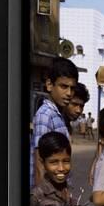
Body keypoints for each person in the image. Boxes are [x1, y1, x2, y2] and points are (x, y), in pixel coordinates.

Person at [30, 57, 78, 188]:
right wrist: (43, 201)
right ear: (50, 85)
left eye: (72, 88)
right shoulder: (45, 115)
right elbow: (39, 162)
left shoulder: (58, 114)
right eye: (64, 86)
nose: (69, 93)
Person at [29, 131, 72, 206]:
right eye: (54, 162)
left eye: (66, 161)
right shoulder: (36, 195)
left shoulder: (69, 190)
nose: (61, 168)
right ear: (43, 163)